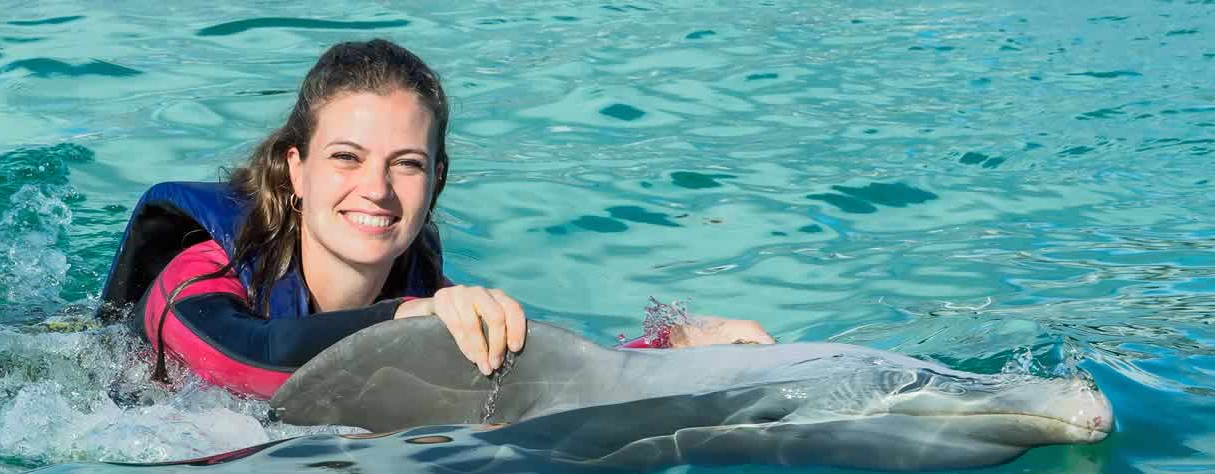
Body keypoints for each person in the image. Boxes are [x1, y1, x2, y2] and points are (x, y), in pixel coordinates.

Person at [95, 39, 772, 400]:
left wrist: (675, 355)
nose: (377, 189)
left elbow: (539, 379)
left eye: (407, 164)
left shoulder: (427, 295)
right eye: (347, 157)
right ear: (297, 170)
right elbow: (234, 360)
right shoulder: (200, 271)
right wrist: (398, 325)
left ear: (437, 180)